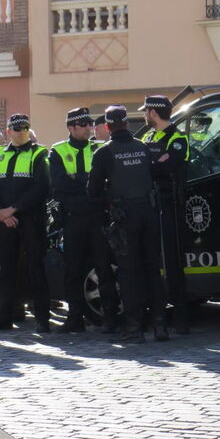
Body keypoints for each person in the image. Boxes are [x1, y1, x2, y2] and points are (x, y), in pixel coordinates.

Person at [88, 105, 166, 343]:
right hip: (150, 215)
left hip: (124, 218)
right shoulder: (143, 148)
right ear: (127, 124)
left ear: (108, 126)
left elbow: (93, 191)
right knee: (153, 270)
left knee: (129, 273)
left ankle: (134, 327)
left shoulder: (103, 153)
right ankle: (160, 325)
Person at [49, 107, 119, 333]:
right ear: (71, 127)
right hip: (72, 218)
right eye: (84, 125)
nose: (90, 128)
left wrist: (79, 181)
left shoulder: (100, 148)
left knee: (103, 267)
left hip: (98, 217)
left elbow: (108, 182)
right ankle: (75, 318)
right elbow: (60, 185)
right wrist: (89, 182)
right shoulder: (58, 151)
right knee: (73, 270)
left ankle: (110, 318)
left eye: (90, 124)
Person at [0, 114, 51, 333]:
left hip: (31, 219)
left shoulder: (39, 153)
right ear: (8, 131)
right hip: (5, 221)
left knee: (36, 269)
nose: (21, 131)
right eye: (17, 128)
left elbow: (41, 187)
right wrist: (0, 212)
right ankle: (3, 316)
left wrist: (13, 209)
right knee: (6, 271)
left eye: (24, 128)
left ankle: (42, 318)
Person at [139, 95, 190, 333]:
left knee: (172, 261)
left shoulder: (177, 138)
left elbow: (167, 168)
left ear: (153, 113)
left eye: (146, 112)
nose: (144, 116)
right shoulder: (148, 137)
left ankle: (181, 317)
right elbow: (145, 168)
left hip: (170, 204)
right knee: (152, 260)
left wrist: (156, 165)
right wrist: (155, 164)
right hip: (151, 204)